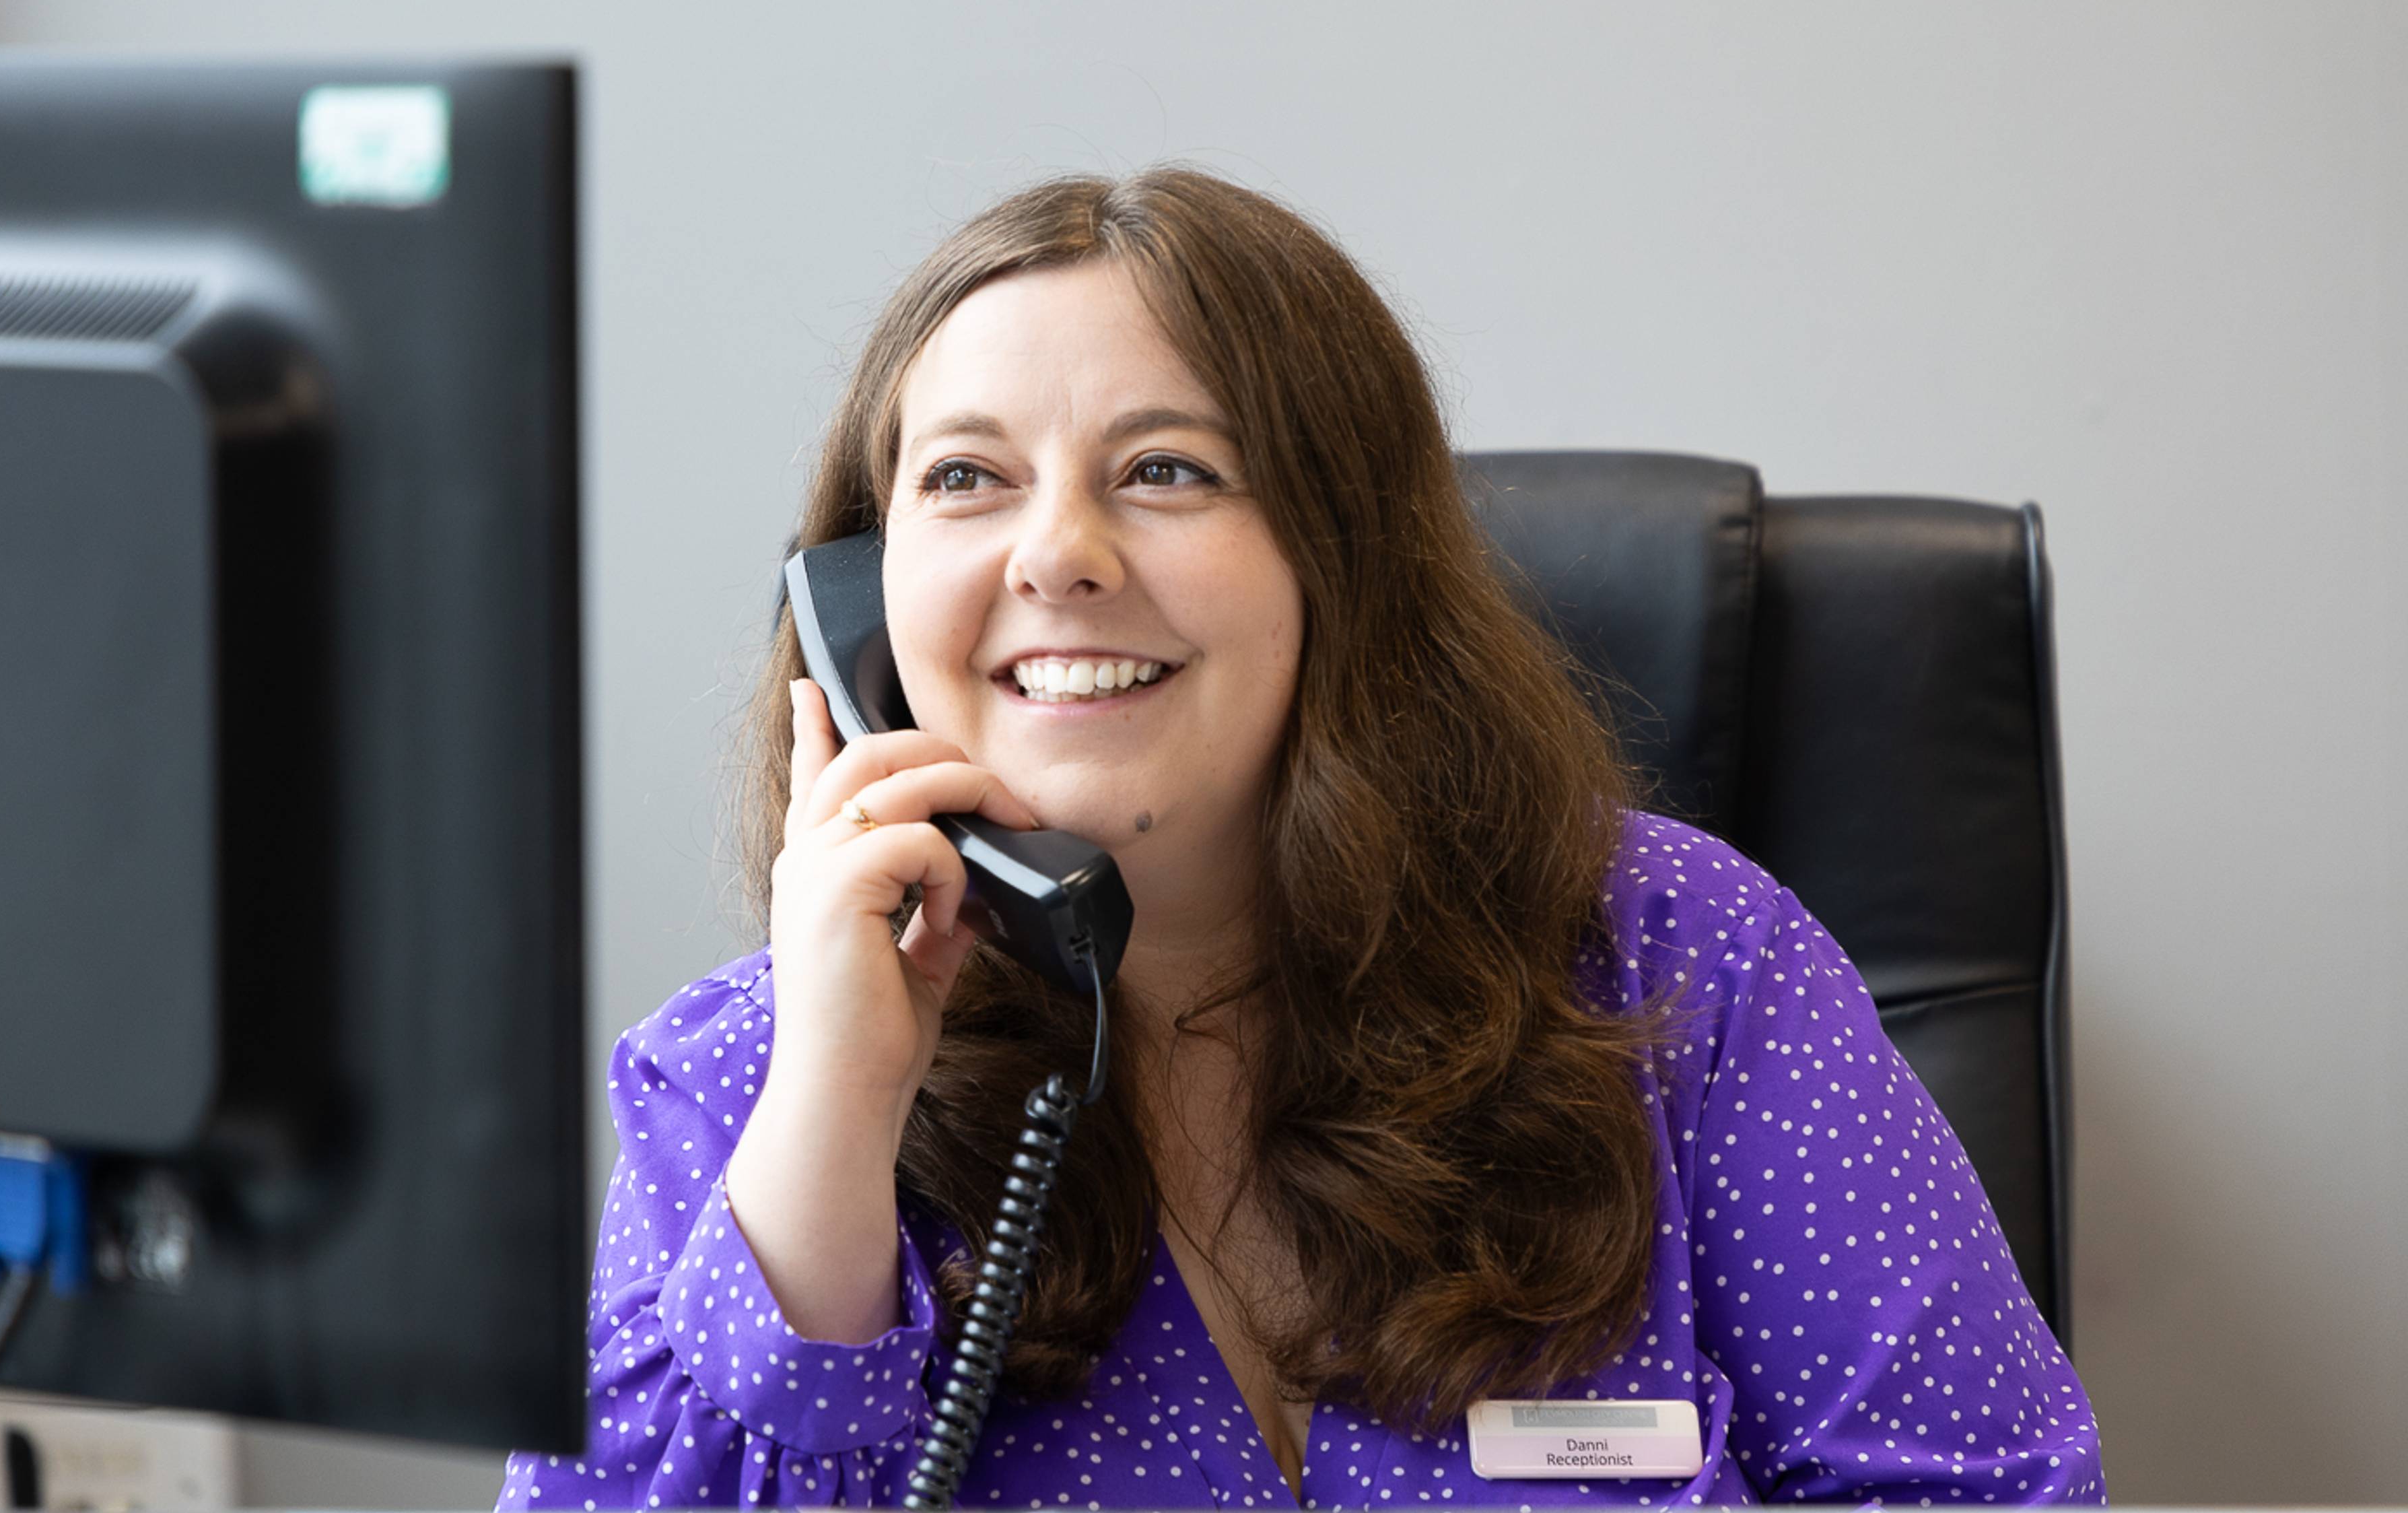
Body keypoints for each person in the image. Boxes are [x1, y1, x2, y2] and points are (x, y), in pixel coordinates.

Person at [501, 169, 2102, 1508]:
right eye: (968, 477)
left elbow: (1985, 1492)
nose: (1056, 554)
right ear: (862, 594)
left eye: (1167, 469)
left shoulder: (1681, 958)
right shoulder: (746, 1079)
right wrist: (840, 1110)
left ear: (1346, 553)